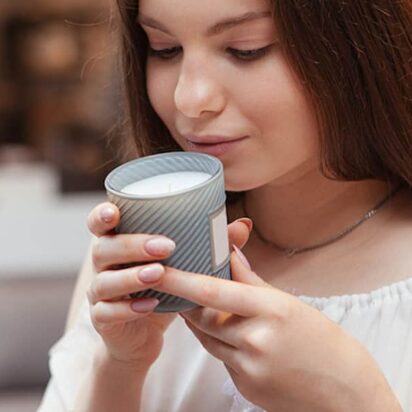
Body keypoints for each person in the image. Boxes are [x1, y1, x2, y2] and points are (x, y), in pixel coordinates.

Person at [38, 0, 412, 411]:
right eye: (165, 49)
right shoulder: (135, 264)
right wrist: (120, 367)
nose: (189, 98)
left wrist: (354, 400)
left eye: (246, 49)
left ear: (356, 47)